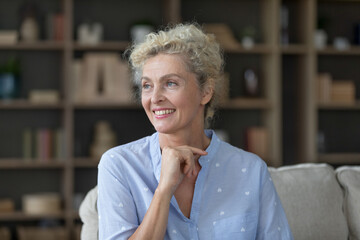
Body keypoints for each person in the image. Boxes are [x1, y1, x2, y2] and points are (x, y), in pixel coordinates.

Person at [97, 23, 293, 240]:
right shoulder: (119, 165)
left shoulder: (251, 171)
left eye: (170, 83)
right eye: (147, 86)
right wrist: (164, 189)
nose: (155, 98)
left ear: (206, 91)